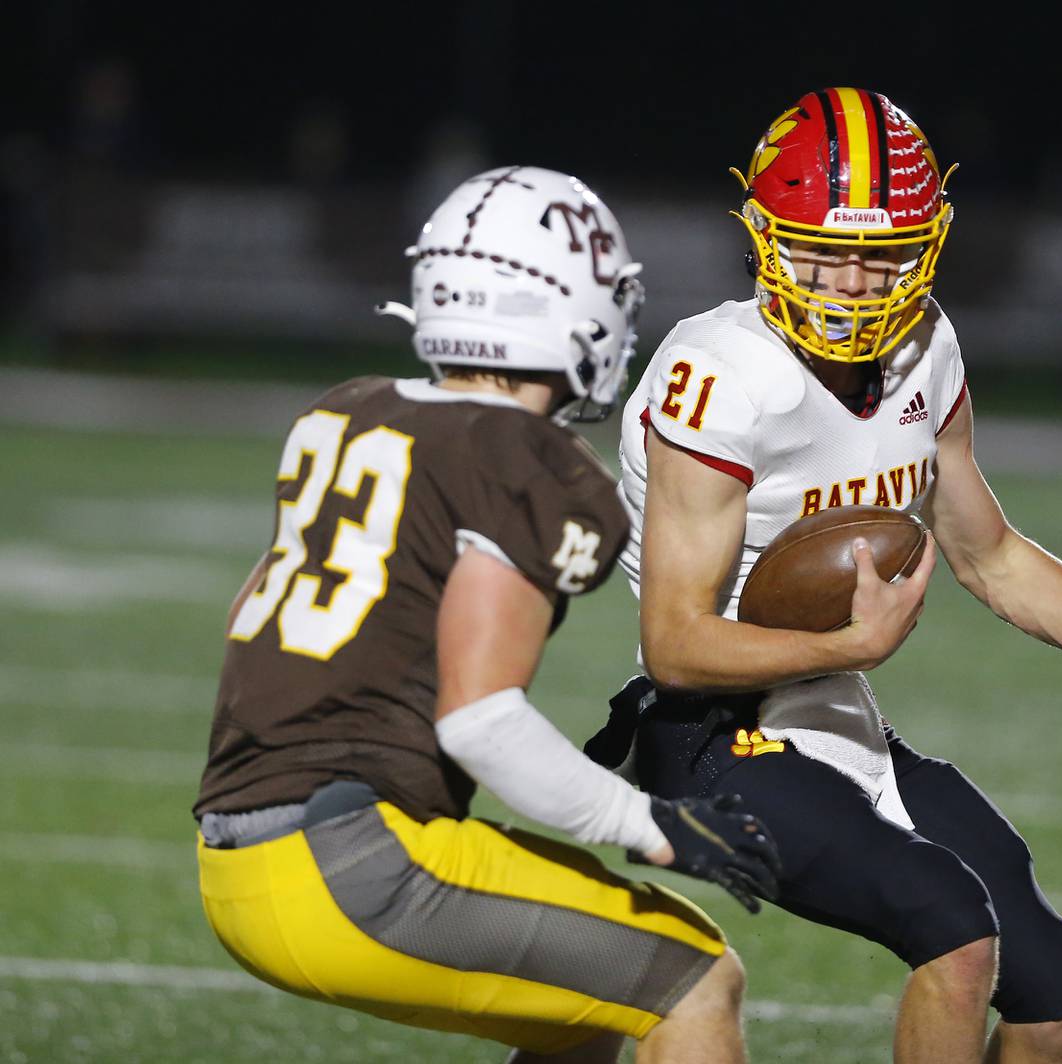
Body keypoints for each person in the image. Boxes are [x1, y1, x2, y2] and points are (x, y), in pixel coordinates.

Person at [593, 90, 1062, 1064]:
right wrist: (849, 644)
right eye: (823, 249)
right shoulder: (718, 374)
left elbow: (989, 553)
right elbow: (677, 640)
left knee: (1060, 999)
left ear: (930, 243)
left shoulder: (926, 346)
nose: (854, 282)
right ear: (765, 236)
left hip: (829, 707)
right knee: (954, 927)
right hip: (709, 731)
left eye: (884, 253)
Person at [193, 166, 780, 1064]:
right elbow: (481, 721)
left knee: (580, 1007)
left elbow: (254, 622)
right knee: (697, 977)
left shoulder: (347, 410)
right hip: (353, 859)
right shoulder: (525, 457)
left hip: (238, 857)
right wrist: (649, 824)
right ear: (570, 306)